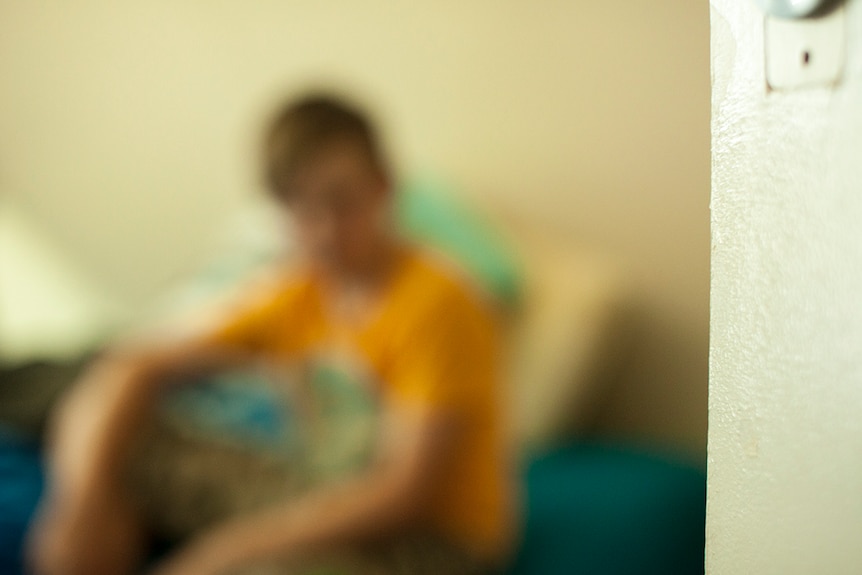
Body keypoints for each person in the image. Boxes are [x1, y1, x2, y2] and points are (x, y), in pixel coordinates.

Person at [27, 93, 516, 575]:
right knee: (109, 427)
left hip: (431, 542)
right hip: (316, 491)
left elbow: (407, 494)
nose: (324, 230)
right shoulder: (298, 292)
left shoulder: (438, 303)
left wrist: (229, 549)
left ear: (383, 187)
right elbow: (136, 362)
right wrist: (80, 504)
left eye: (341, 202)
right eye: (300, 210)